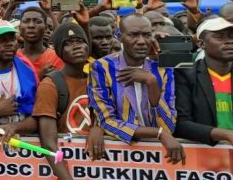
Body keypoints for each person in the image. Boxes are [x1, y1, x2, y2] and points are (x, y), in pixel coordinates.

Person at [88, 14, 185, 164]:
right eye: (133, 35)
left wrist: (151, 82)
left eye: (146, 35)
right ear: (119, 37)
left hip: (158, 158)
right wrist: (159, 134)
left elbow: (168, 124)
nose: (141, 41)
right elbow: (107, 121)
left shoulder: (162, 68)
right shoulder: (102, 67)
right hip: (119, 157)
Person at [32, 23, 93, 179]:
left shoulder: (99, 79)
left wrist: (97, 128)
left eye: (80, 41)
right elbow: (48, 143)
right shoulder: (50, 84)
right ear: (59, 52)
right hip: (67, 167)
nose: (76, 47)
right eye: (68, 44)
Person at [175, 17, 233, 145]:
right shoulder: (186, 74)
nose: (229, 41)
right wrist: (226, 135)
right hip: (206, 154)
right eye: (220, 37)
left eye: (231, 36)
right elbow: (181, 124)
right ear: (201, 44)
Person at [18, 7, 64, 77]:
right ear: (20, 28)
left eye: (37, 22)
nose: (31, 25)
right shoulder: (13, 58)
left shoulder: (56, 58)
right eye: (26, 21)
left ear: (45, 29)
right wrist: (40, 78)